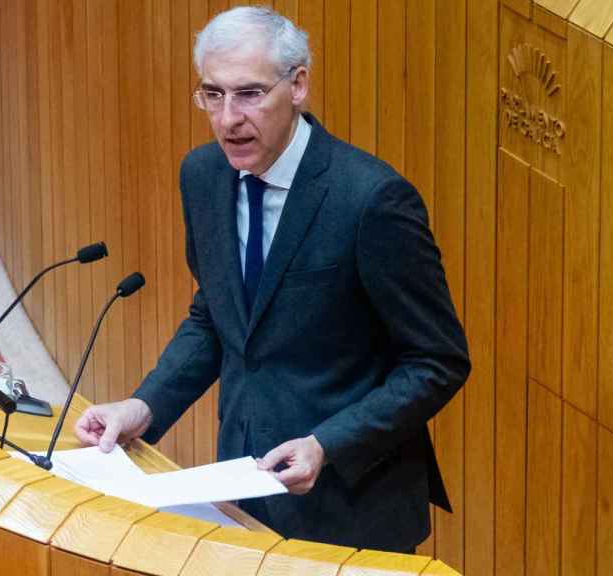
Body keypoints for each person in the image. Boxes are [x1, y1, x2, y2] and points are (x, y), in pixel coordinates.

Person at [73, 6, 469, 553]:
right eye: (213, 94)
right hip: (242, 484)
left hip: (349, 508)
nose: (228, 118)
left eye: (250, 94)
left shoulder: (370, 200)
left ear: (298, 84)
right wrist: (145, 405)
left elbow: (437, 361)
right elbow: (218, 317)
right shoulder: (204, 175)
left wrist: (326, 445)